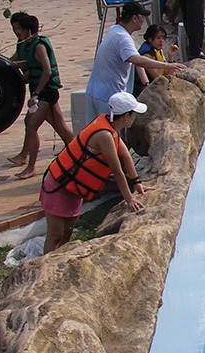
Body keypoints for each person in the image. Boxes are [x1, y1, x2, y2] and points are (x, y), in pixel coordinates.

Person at [40, 92, 150, 254]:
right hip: (59, 186)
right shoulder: (104, 135)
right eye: (134, 114)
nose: (135, 118)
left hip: (74, 189)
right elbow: (117, 171)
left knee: (67, 232)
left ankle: (59, 265)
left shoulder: (111, 127)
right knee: (55, 235)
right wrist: (129, 198)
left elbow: (126, 157)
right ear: (126, 116)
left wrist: (137, 183)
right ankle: (46, 270)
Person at [84, 1, 188, 122]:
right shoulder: (123, 38)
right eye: (142, 17)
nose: (143, 20)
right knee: (109, 134)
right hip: (108, 97)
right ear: (134, 18)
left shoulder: (114, 30)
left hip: (93, 92)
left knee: (93, 135)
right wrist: (168, 65)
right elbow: (137, 60)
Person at [8, 13, 73, 179]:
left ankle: (31, 167)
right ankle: (77, 152)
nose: (16, 32)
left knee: (31, 125)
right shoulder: (25, 45)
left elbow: (46, 70)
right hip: (38, 91)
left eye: (18, 29)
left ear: (28, 29)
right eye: (14, 28)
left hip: (46, 92)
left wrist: (36, 94)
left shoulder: (39, 46)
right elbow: (18, 61)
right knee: (60, 127)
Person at [134, 24, 180, 96]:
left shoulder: (158, 50)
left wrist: (170, 57)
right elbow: (157, 77)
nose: (162, 41)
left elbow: (167, 73)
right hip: (142, 92)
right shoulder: (147, 55)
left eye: (163, 38)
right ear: (149, 39)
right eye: (158, 38)